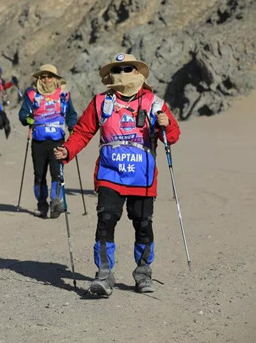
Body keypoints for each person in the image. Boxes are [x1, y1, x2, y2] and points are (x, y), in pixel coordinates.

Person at [53, 52, 181, 296]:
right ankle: (104, 275)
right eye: (117, 69)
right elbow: (83, 132)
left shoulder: (155, 103)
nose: (122, 73)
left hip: (142, 177)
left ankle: (143, 274)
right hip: (110, 174)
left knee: (143, 225)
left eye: (128, 68)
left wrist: (166, 124)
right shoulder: (101, 102)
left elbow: (172, 137)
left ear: (138, 72)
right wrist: (67, 150)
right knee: (105, 222)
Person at [18, 64, 77, 219]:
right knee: (39, 175)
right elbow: (23, 114)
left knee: (57, 173)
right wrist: (28, 119)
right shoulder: (32, 95)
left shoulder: (64, 95)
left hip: (57, 141)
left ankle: (55, 203)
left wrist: (72, 126)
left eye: (49, 76)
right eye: (42, 77)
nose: (46, 80)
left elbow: (71, 114)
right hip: (38, 142)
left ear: (55, 79)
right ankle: (42, 205)